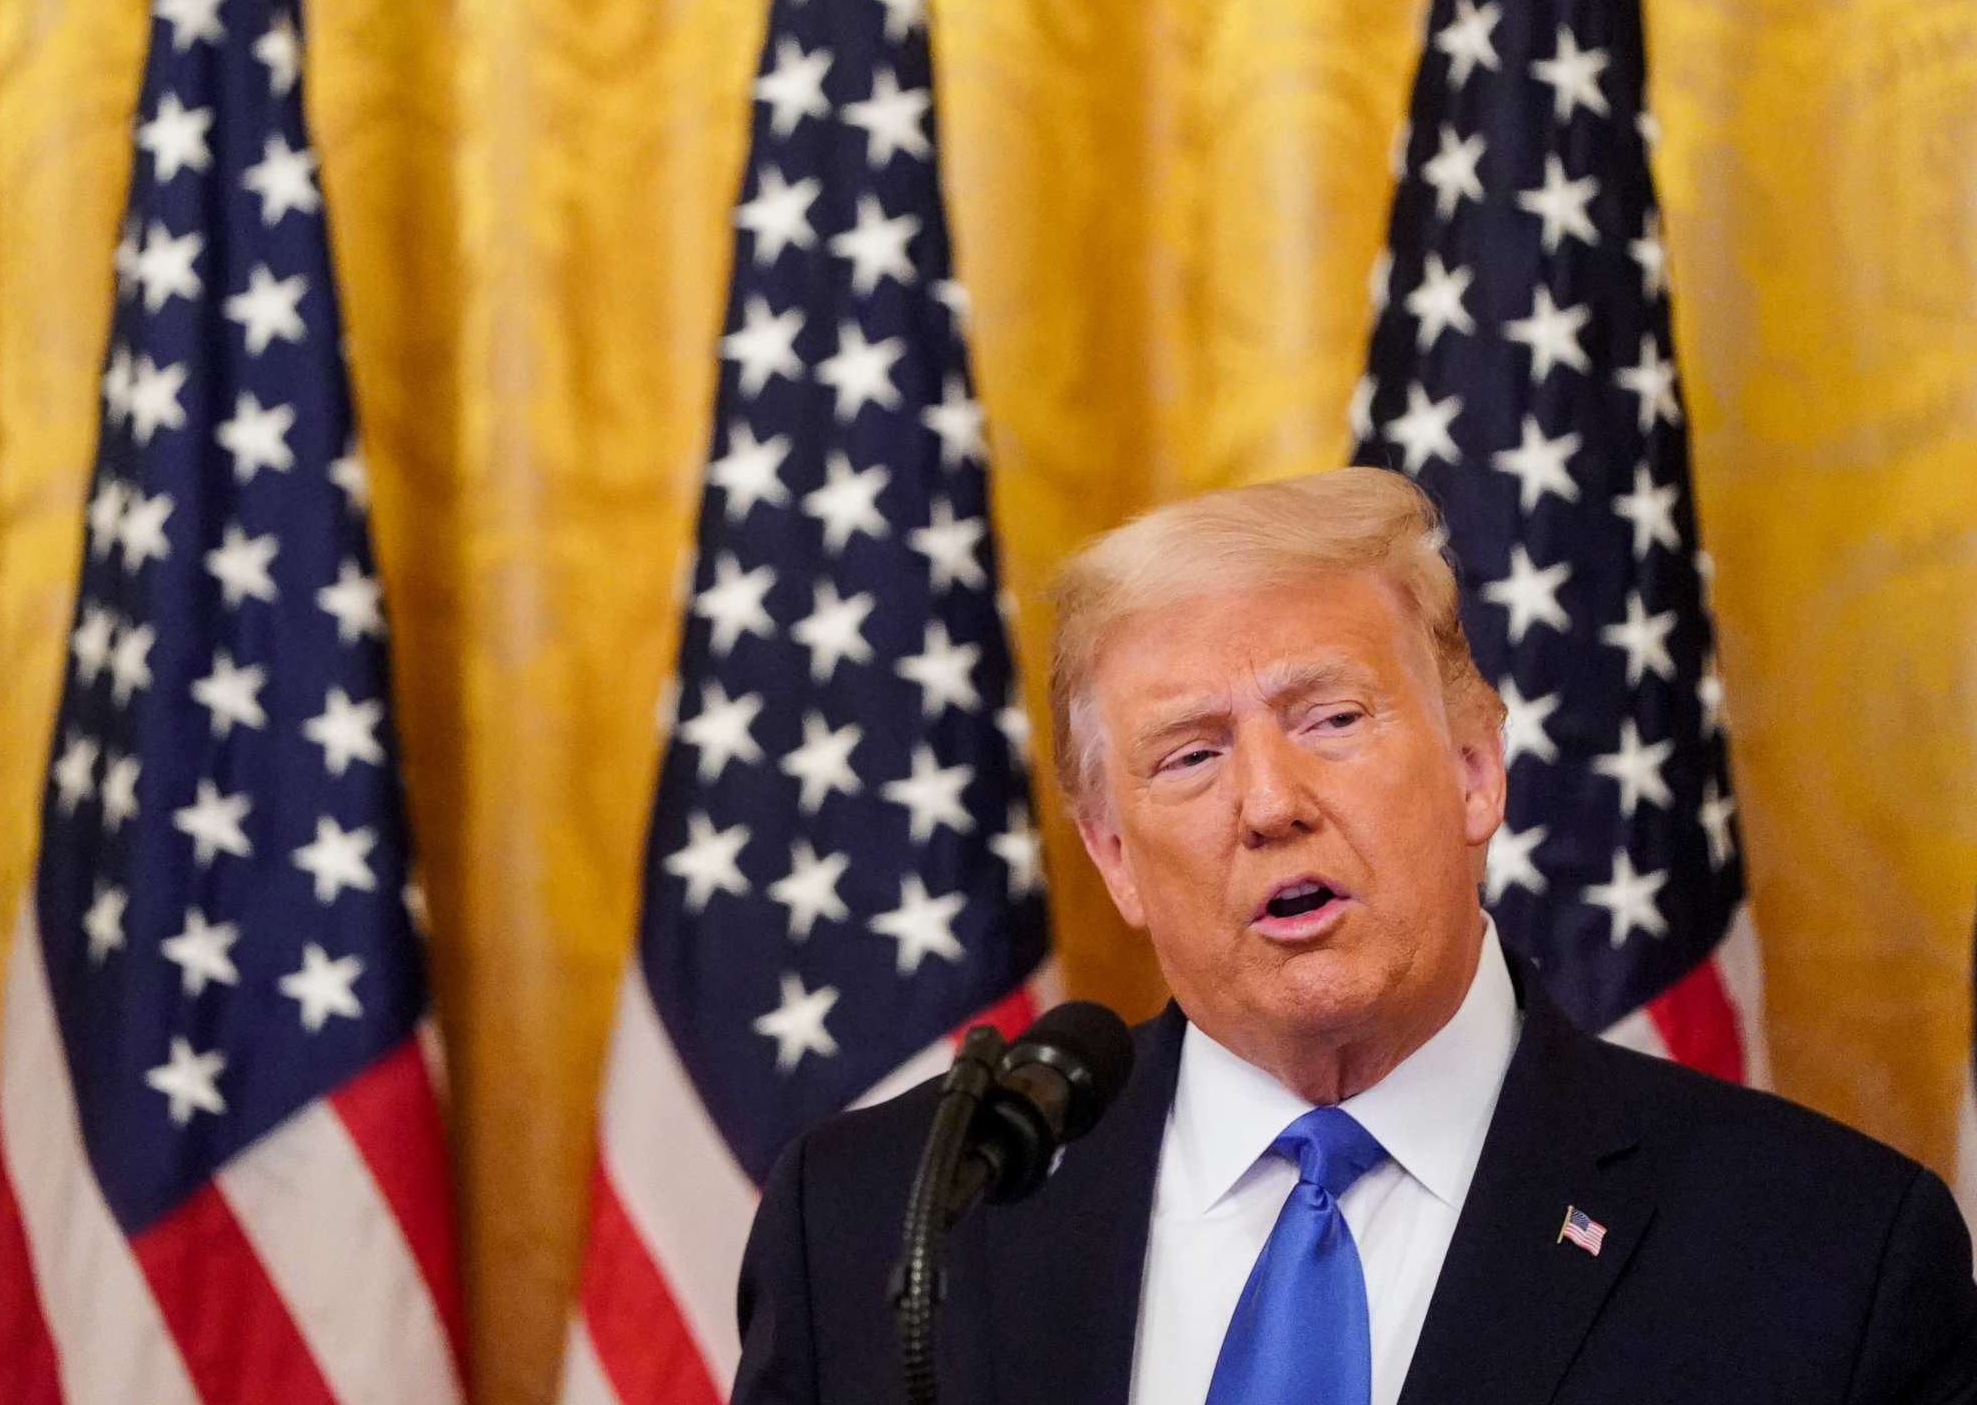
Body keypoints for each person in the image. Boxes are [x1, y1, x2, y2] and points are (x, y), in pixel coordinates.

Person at [729, 467, 1977, 1405]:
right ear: (1113, 854)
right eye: (1191, 754)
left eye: (1330, 718)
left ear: (1475, 769)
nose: (1270, 804)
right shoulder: (875, 1229)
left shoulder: (1825, 1254)